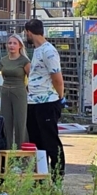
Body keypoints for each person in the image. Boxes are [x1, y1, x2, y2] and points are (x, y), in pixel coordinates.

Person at [24, 19, 66, 178]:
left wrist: (60, 97)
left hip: (47, 102)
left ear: (29, 32)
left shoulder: (49, 51)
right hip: (33, 102)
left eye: (26, 33)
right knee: (37, 142)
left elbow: (57, 78)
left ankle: (57, 177)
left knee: (50, 141)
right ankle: (40, 177)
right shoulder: (37, 50)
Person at [0, 33, 30, 149]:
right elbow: (3, 75)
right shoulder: (3, 60)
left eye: (14, 43)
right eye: (10, 43)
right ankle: (7, 150)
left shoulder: (24, 61)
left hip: (19, 92)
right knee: (5, 121)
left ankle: (22, 152)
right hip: (6, 91)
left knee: (20, 122)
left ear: (20, 46)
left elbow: (30, 78)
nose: (11, 45)